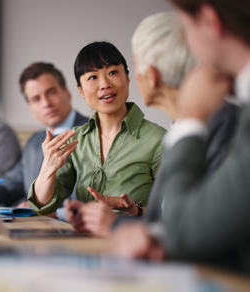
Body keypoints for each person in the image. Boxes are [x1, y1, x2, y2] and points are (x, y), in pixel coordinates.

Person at [65, 12, 238, 237]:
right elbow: (166, 217)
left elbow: (200, 225)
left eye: (133, 66)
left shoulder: (212, 126)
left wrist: (116, 225)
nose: (106, 84)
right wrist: (132, 212)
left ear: (151, 76)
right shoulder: (179, 130)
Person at [112, 0, 250, 273]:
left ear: (210, 21)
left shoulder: (220, 119)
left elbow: (186, 227)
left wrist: (192, 118)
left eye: (187, 28)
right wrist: (156, 236)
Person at [28, 42, 166, 220]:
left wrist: (135, 210)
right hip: (85, 243)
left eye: (113, 72)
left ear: (128, 78)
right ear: (80, 90)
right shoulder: (76, 139)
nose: (105, 84)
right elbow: (43, 206)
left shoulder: (158, 139)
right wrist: (48, 168)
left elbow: (176, 211)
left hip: (134, 243)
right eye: (92, 77)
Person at [0, 63, 89, 219]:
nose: (46, 103)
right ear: (31, 109)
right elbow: (12, 183)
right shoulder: (34, 142)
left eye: (51, 93)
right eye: (36, 99)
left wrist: (49, 211)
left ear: (67, 93)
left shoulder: (93, 131)